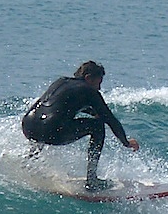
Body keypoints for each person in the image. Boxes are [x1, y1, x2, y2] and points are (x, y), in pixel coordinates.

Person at [21, 61, 140, 190]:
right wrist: (126, 142)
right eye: (98, 83)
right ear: (88, 78)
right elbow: (110, 119)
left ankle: (29, 161)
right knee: (97, 126)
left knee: (46, 123)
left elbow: (62, 105)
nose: (99, 88)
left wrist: (93, 112)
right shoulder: (90, 91)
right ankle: (92, 180)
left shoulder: (61, 81)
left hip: (28, 126)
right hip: (50, 131)